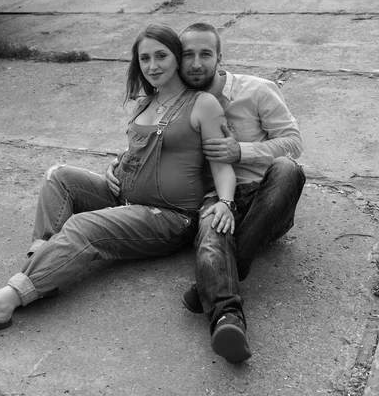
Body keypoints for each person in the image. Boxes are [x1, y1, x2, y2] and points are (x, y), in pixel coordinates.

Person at [0, 23, 238, 335]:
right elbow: (137, 149)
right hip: (123, 195)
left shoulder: (203, 104)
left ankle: (5, 303)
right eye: (144, 58)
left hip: (169, 217)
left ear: (176, 58)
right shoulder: (144, 102)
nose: (152, 66)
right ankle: (44, 265)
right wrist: (116, 164)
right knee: (58, 176)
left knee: (84, 226)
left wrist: (226, 202)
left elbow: (221, 162)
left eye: (161, 56)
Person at [107, 23, 305, 364]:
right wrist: (119, 163)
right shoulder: (173, 99)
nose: (196, 63)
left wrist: (238, 151)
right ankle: (227, 321)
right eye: (188, 55)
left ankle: (212, 282)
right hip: (216, 197)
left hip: (266, 197)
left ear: (219, 58)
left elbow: (293, 143)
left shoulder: (256, 91)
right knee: (212, 235)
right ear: (177, 59)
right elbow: (153, 142)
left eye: (205, 54)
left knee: (288, 168)